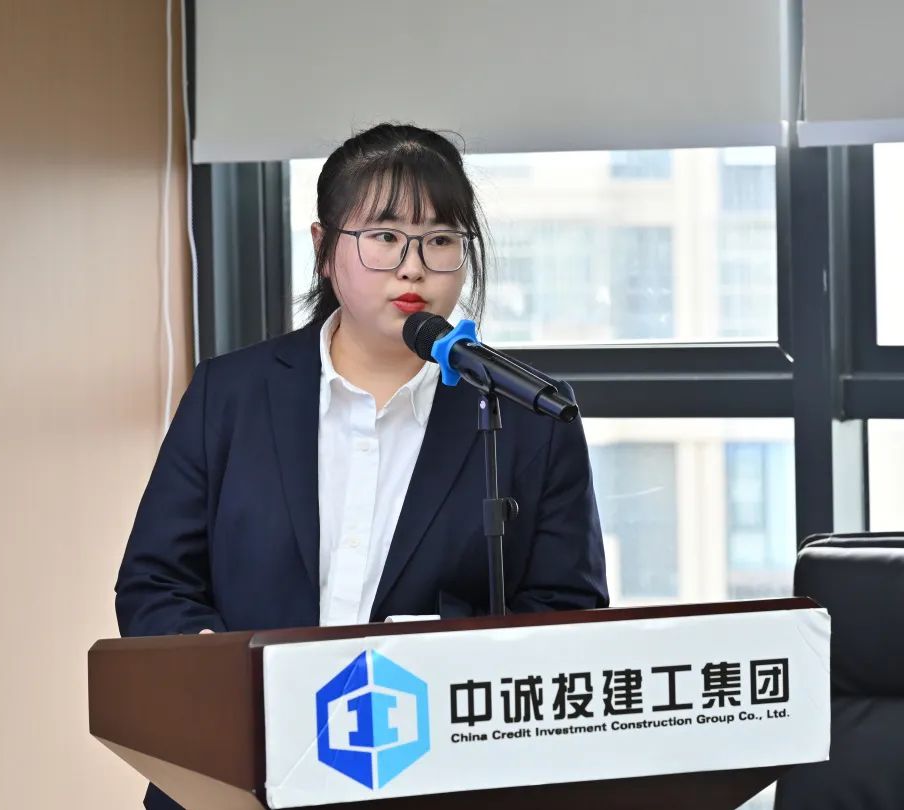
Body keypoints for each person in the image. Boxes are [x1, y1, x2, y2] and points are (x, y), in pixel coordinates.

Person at [115, 123, 608, 810]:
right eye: (384, 236)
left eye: (441, 240)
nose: (414, 267)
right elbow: (154, 581)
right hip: (235, 771)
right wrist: (221, 675)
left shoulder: (526, 415)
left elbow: (565, 611)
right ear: (324, 250)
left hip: (433, 781)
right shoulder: (231, 394)